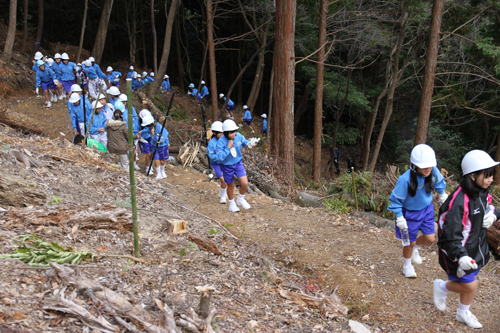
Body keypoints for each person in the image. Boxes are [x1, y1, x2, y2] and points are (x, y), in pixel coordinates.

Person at [433, 150, 499, 329]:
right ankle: (441, 287)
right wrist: (460, 256)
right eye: (487, 176)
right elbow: (448, 235)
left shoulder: (481, 191)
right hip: (457, 254)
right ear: (472, 175)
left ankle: (463, 312)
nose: (490, 180)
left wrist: (493, 214)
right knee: (470, 286)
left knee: (470, 281)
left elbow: (490, 205)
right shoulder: (458, 201)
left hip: (475, 250)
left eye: (491, 175)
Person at [387, 144, 448, 278]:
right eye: (424, 166)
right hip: (408, 213)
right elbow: (395, 200)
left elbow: (439, 182)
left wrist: (442, 194)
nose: (428, 169)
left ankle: (416, 248)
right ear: (414, 165)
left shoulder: (432, 170)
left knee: (430, 238)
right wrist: (399, 217)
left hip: (427, 209)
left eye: (430, 166)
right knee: (409, 242)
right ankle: (407, 265)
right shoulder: (405, 179)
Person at [216, 119, 259, 212]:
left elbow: (244, 142)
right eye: (231, 132)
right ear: (226, 132)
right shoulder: (221, 142)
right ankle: (232, 204)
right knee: (231, 185)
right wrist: (228, 148)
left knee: (245, 183)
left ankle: (240, 199)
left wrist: (250, 144)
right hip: (227, 166)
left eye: (234, 131)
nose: (233, 134)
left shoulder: (238, 136)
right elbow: (220, 157)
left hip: (238, 163)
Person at [116, 95, 140, 170]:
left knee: (133, 148)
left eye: (124, 102)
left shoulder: (131, 108)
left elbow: (135, 119)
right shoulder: (118, 110)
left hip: (131, 131)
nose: (123, 103)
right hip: (123, 132)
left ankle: (134, 163)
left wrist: (134, 128)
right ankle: (121, 163)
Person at [141, 115, 169, 179]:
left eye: (148, 126)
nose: (148, 127)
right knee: (156, 160)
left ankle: (162, 171)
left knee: (162, 161)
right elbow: (147, 130)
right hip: (154, 145)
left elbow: (164, 137)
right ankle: (158, 174)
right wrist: (142, 131)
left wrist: (155, 136)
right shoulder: (150, 128)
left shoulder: (160, 128)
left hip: (162, 146)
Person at [207, 121, 228, 204]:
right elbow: (211, 155)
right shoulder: (211, 143)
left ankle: (222, 192)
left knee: (225, 179)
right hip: (216, 163)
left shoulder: (225, 140)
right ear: (215, 133)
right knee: (223, 179)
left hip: (224, 163)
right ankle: (223, 197)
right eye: (220, 133)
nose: (222, 134)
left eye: (223, 133)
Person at [138, 110, 154, 175]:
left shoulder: (150, 118)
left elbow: (151, 127)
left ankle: (150, 165)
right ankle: (147, 168)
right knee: (148, 153)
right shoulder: (138, 123)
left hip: (150, 137)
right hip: (143, 139)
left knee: (152, 152)